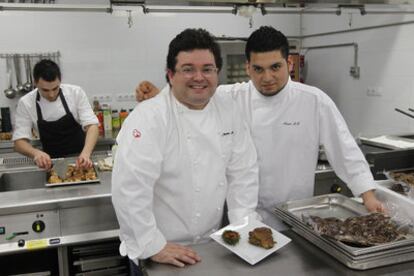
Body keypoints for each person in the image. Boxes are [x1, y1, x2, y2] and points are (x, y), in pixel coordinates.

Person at [135, 26, 384, 230]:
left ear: (289, 63)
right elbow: (191, 94)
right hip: (240, 216)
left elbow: (344, 149)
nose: (267, 77)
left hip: (296, 217)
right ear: (247, 68)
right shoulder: (230, 97)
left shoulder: (313, 100)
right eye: (258, 69)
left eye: (275, 67)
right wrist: (158, 94)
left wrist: (367, 194)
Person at [112, 28, 260, 275]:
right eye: (188, 69)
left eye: (207, 69)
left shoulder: (229, 111)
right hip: (159, 250)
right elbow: (130, 188)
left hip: (210, 246)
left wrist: (243, 226)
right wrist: (152, 244)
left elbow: (243, 173)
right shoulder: (149, 117)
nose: (199, 77)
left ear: (217, 72)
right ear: (170, 75)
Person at [12, 59, 99, 169]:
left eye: (55, 88)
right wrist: (36, 153)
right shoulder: (26, 103)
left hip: (81, 159)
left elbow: (92, 126)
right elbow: (19, 142)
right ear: (35, 83)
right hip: (50, 163)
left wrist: (86, 153)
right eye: (45, 90)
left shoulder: (75, 93)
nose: (52, 94)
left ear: (60, 81)